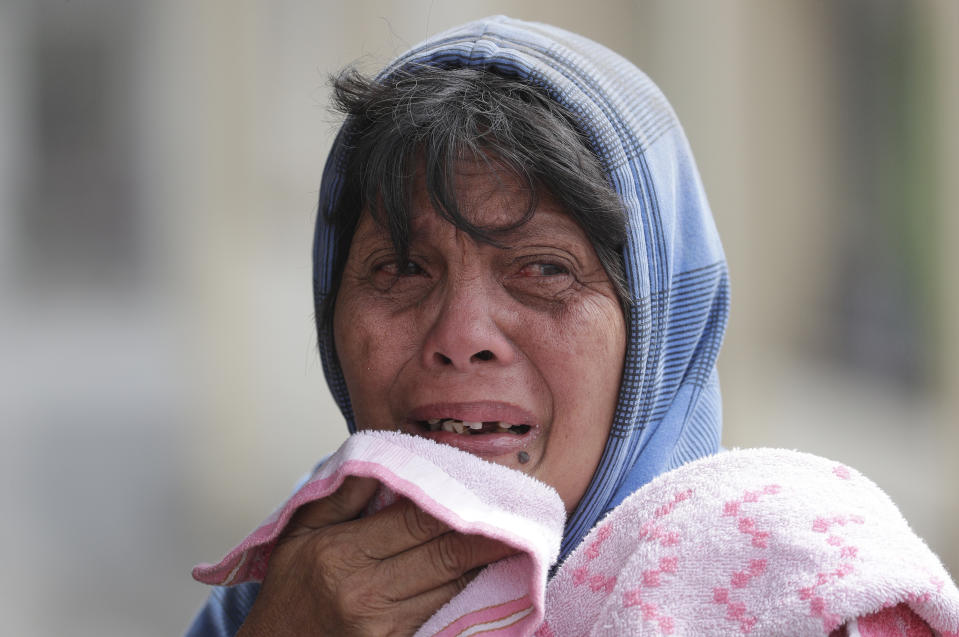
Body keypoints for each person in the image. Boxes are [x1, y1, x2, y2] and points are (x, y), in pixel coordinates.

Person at [186, 16, 958, 636]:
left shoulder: (800, 594)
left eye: (544, 270)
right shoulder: (288, 591)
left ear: (656, 331)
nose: (461, 334)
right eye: (401, 268)